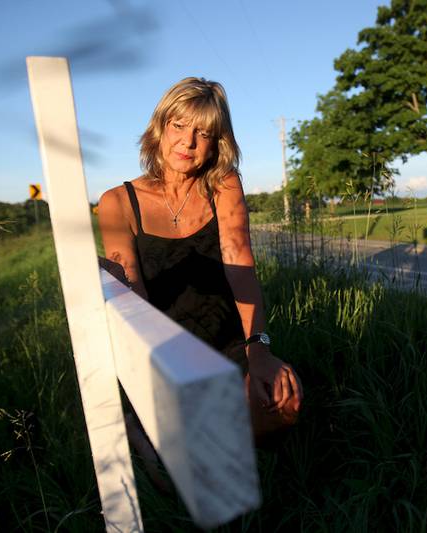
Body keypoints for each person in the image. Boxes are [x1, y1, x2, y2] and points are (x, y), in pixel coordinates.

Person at [98, 77, 303, 447]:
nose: (187, 142)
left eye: (203, 132)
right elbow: (136, 305)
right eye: (178, 125)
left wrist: (258, 349)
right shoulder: (117, 202)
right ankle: (144, 425)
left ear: (217, 142)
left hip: (226, 343)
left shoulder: (224, 184)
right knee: (191, 444)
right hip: (162, 353)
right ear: (160, 126)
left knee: (283, 402)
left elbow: (241, 268)